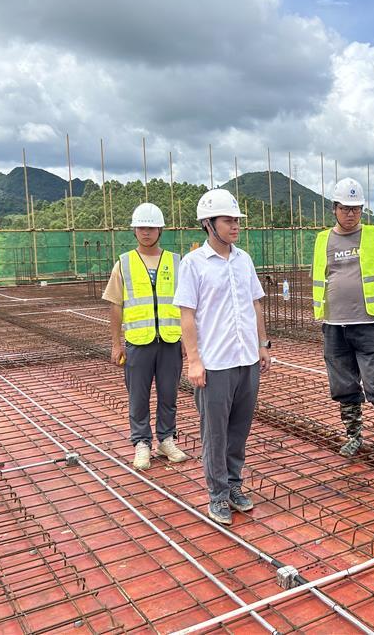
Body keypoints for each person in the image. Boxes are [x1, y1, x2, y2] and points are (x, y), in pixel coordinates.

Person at [176, 188, 271, 526]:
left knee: (239, 430)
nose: (235, 226)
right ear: (208, 224)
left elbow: (255, 304)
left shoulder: (243, 260)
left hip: (246, 360)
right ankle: (217, 495)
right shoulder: (193, 264)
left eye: (237, 221)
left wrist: (262, 344)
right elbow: (187, 315)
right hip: (215, 365)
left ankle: (233, 485)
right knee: (215, 434)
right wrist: (194, 360)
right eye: (228, 220)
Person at [312, 177, 374, 463]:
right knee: (343, 385)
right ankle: (353, 436)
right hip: (334, 325)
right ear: (334, 209)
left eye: (356, 208)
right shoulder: (323, 240)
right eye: (345, 208)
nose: (351, 214)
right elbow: (322, 275)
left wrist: (367, 298)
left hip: (369, 324)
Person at [103, 202, 188, 470]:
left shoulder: (177, 262)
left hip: (170, 341)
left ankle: (166, 439)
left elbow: (187, 304)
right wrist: (116, 343)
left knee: (168, 394)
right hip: (138, 343)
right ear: (134, 230)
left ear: (160, 229)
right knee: (138, 397)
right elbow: (116, 305)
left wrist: (187, 339)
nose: (146, 232)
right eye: (141, 227)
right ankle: (141, 443)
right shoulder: (124, 263)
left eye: (151, 227)